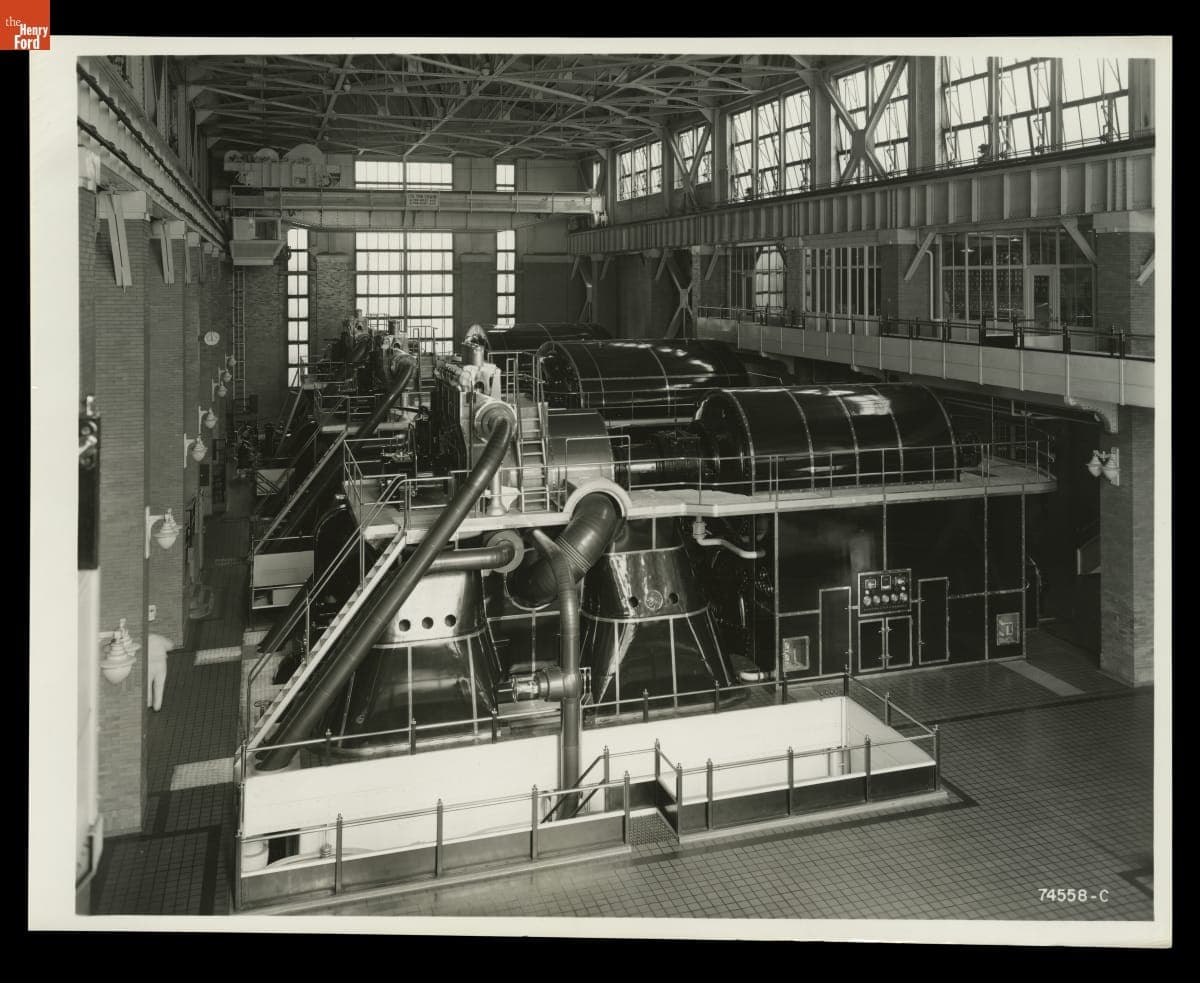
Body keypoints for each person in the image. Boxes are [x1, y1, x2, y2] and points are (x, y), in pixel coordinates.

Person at [147, 633, 175, 712]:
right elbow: (170, 646)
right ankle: (157, 706)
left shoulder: (144, 641)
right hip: (161, 663)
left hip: (149, 664)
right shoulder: (160, 638)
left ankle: (148, 703)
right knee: (159, 685)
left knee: (148, 684)